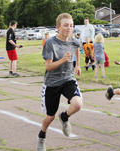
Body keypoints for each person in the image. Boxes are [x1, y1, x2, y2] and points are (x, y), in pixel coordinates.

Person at [38, 13, 83, 151]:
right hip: (52, 83)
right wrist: (63, 60)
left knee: (77, 104)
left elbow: (77, 50)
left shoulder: (74, 41)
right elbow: (48, 66)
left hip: (68, 79)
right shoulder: (50, 43)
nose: (69, 28)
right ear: (58, 27)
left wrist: (78, 65)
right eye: (65, 25)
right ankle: (42, 136)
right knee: (50, 117)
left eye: (71, 25)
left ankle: (64, 116)